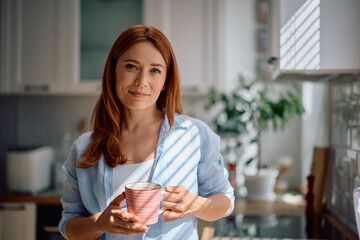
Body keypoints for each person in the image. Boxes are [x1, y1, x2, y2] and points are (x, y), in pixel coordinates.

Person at [58, 24, 234, 240]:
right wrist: (99, 223)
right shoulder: (85, 148)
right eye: (131, 67)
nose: (142, 81)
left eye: (155, 70)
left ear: (165, 81)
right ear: (113, 71)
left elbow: (225, 200)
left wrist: (195, 205)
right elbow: (69, 224)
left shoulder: (194, 135)